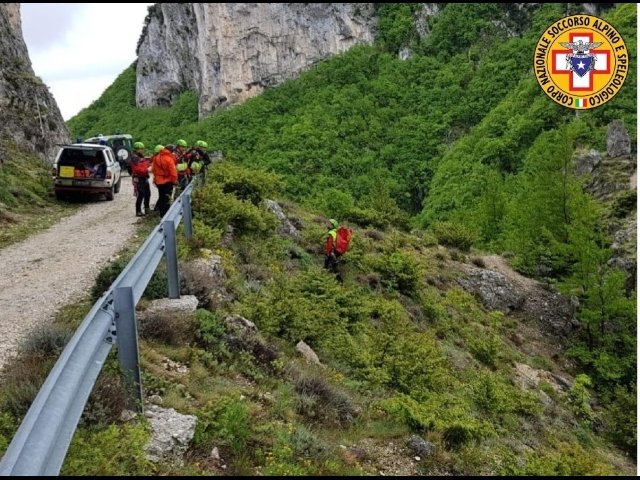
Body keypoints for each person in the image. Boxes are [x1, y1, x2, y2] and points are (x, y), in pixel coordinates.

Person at [151, 144, 178, 216]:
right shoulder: (169, 159)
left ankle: (161, 214)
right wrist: (174, 181)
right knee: (167, 199)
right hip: (167, 181)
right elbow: (173, 173)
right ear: (171, 150)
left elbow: (153, 170)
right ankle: (166, 215)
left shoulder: (156, 157)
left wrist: (155, 178)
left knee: (161, 197)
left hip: (159, 181)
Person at [130, 142, 151, 216]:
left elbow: (144, 165)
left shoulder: (141, 156)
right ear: (137, 149)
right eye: (141, 149)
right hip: (139, 178)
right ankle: (138, 210)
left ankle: (147, 208)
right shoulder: (134, 158)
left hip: (144, 177)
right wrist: (147, 170)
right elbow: (138, 169)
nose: (142, 150)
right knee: (141, 194)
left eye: (142, 149)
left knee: (148, 193)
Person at [324, 218, 343, 283]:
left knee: (329, 267)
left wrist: (327, 253)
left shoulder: (331, 233)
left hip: (331, 253)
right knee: (333, 267)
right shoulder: (336, 232)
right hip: (336, 253)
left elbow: (329, 244)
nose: (327, 225)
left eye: (329, 224)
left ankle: (339, 282)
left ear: (333, 225)